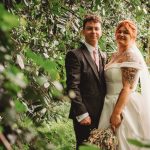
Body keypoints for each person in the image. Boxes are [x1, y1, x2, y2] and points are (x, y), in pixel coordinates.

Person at [98, 19, 150, 150]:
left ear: (133, 36)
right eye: (119, 31)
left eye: (126, 32)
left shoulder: (132, 56)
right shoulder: (114, 56)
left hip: (123, 106)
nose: (121, 34)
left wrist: (116, 113)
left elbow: (128, 87)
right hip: (108, 102)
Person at [65, 14, 107, 150]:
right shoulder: (75, 55)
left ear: (101, 31)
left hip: (103, 114)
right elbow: (73, 86)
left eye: (96, 28)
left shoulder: (104, 55)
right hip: (85, 115)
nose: (93, 32)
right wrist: (82, 114)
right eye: (89, 28)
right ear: (83, 31)